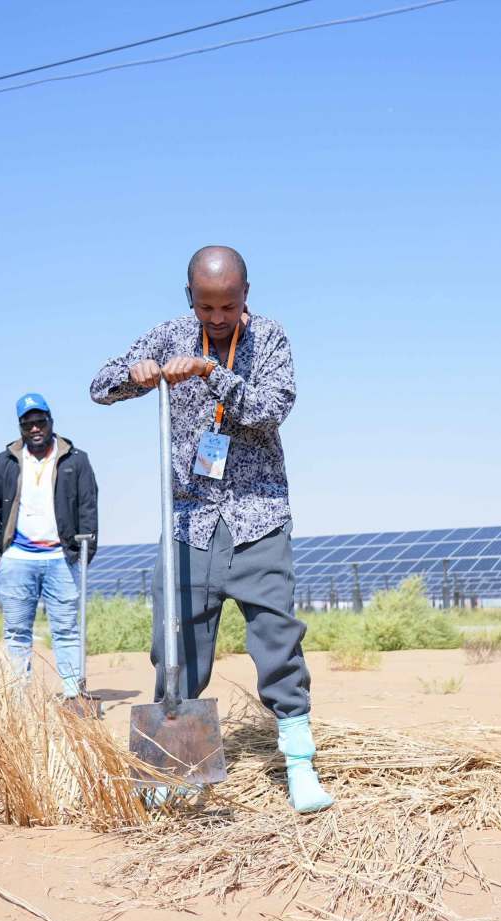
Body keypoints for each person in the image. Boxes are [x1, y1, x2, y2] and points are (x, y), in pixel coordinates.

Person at [90, 245, 332, 814]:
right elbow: (99, 386)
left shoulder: (269, 339)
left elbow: (270, 408)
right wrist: (137, 375)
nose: (218, 318)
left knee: (277, 641)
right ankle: (168, 767)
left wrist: (210, 372)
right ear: (189, 299)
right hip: (189, 520)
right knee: (175, 646)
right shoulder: (169, 333)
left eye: (228, 306)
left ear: (246, 296)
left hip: (257, 517)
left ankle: (299, 764)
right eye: (206, 307)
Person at [0, 394, 99, 708]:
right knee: (17, 631)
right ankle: (18, 698)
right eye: (27, 423)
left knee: (67, 629)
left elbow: (88, 506)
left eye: (39, 421)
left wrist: (83, 553)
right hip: (17, 559)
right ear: (20, 427)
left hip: (61, 558)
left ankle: (74, 694)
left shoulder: (76, 460)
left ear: (50, 421)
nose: (34, 428)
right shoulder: (5, 461)